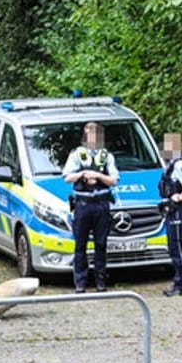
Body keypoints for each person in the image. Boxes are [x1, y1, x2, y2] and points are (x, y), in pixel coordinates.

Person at [62, 121, 119, 293]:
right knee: (80, 245)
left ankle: (101, 282)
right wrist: (83, 174)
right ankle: (80, 283)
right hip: (83, 204)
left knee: (101, 244)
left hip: (101, 204)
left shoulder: (107, 156)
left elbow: (114, 180)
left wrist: (99, 176)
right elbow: (67, 177)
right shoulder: (77, 155)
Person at [158, 133, 182, 297]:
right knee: (173, 248)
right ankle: (178, 282)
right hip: (172, 210)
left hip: (179, 210)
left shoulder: (180, 164)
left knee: (178, 248)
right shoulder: (170, 165)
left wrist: (181, 197)